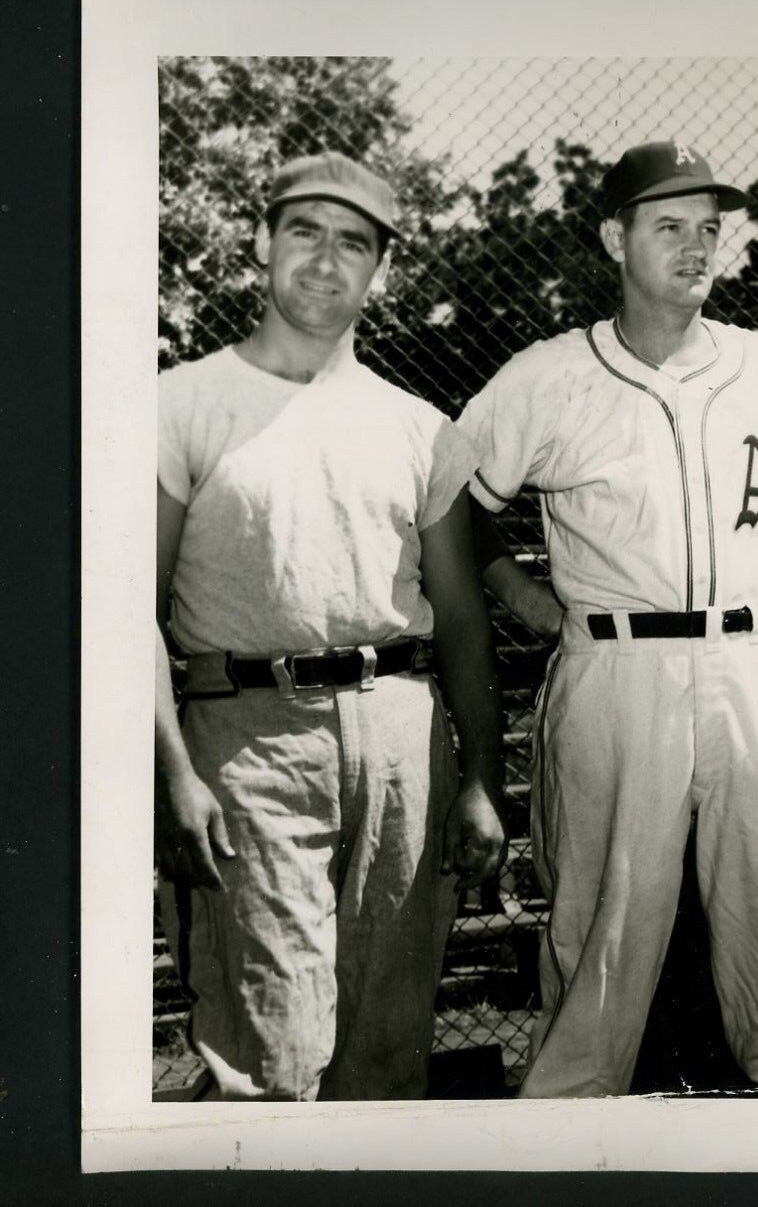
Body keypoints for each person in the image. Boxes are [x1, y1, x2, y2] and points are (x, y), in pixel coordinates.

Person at [458, 140, 758, 1098]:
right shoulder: (548, 375)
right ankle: (569, 1137)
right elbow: (452, 503)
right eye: (669, 226)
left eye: (710, 228)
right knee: (601, 931)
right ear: (612, 238)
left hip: (755, 662)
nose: (697, 246)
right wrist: (520, 594)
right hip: (619, 673)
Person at [154, 152, 506, 1101]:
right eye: (304, 230)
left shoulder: (418, 426)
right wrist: (174, 775)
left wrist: (479, 777)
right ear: (262, 244)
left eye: (355, 241)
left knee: (387, 1055)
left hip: (400, 738)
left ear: (380, 272)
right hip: (249, 736)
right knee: (273, 1058)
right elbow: (127, 615)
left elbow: (465, 620)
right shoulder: (179, 403)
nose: (326, 258)